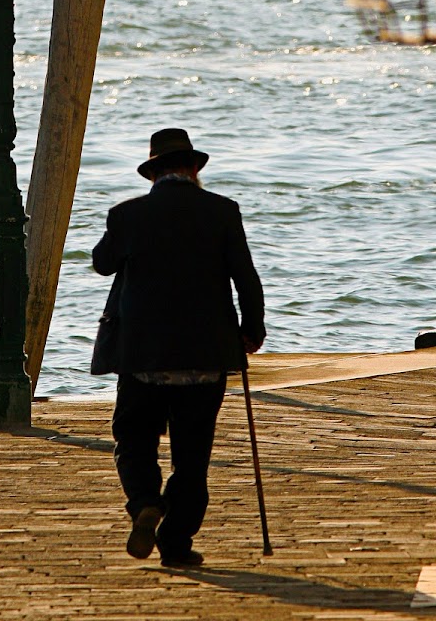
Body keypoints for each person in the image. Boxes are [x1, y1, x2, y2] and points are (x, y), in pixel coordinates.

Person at [91, 127, 266, 569]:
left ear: (154, 173)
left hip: (142, 355)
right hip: (205, 356)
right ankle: (176, 543)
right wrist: (252, 330)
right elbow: (246, 278)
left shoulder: (127, 215)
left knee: (133, 440)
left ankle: (146, 501)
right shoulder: (222, 211)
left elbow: (101, 263)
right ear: (192, 168)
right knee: (192, 457)